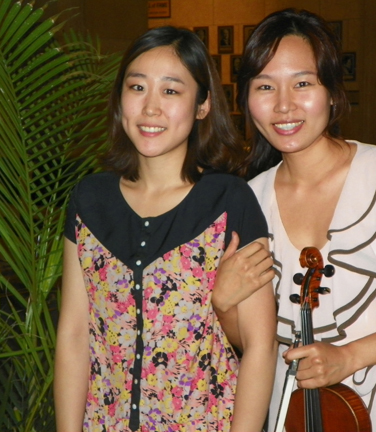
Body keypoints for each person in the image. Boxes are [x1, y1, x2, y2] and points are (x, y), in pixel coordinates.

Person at [213, 8, 376, 432]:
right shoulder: (249, 200)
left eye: (302, 83)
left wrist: (349, 357)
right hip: (298, 411)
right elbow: (258, 344)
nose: (284, 105)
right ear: (246, 99)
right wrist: (225, 306)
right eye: (265, 86)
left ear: (333, 92)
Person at [54, 26, 277, 432]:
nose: (150, 108)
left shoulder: (229, 200)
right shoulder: (89, 198)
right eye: (137, 87)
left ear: (203, 105)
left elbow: (261, 346)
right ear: (120, 99)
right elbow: (73, 334)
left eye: (171, 91)